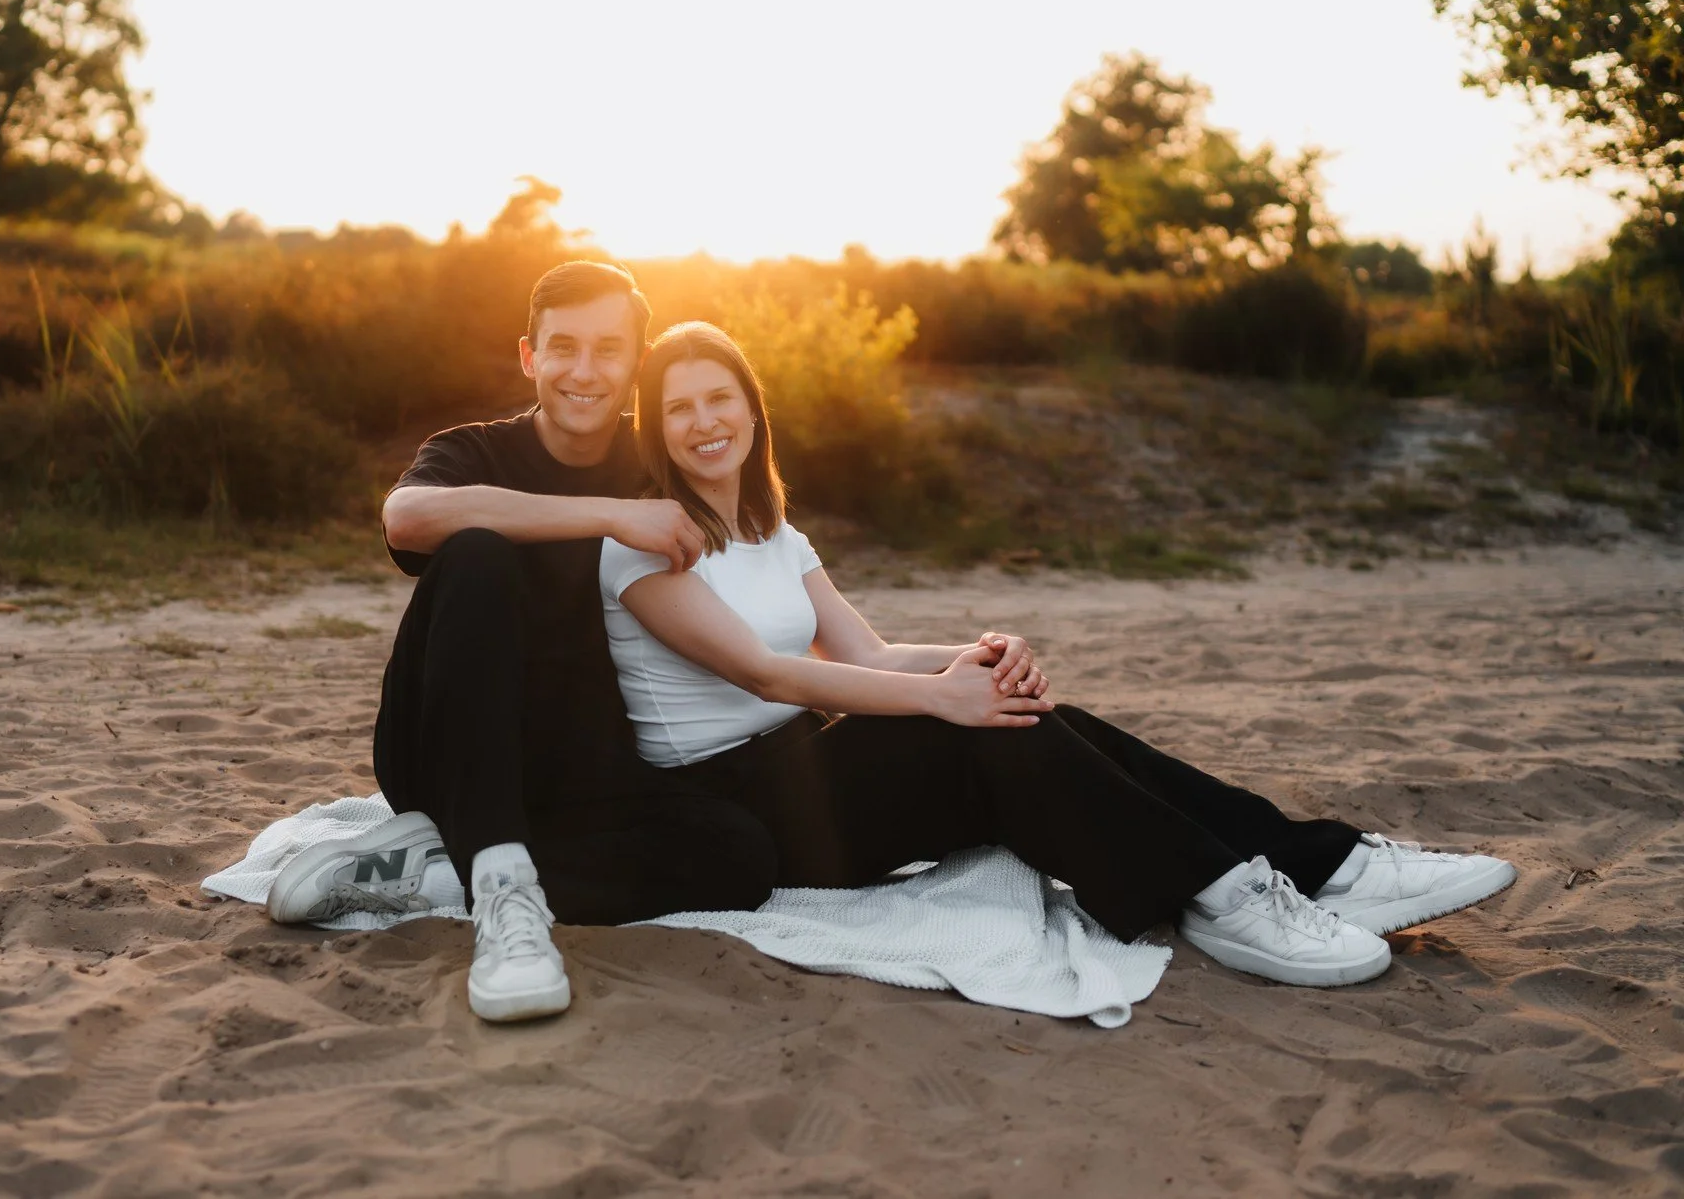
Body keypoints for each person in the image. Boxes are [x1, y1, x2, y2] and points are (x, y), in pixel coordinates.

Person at [595, 320, 1518, 987]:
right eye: (679, 407)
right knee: (982, 723)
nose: (704, 420)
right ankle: (1233, 900)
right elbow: (764, 674)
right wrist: (943, 701)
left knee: (1025, 711)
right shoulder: (638, 547)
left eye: (720, 397)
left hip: (806, 772)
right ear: (656, 428)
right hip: (732, 810)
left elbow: (869, 651)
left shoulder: (775, 532)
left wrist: (979, 653)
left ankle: (1330, 865)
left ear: (751, 409)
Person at [266, 263, 780, 1023]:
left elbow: (755, 570)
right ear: (528, 356)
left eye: (609, 349)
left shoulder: (659, 456)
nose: (583, 370)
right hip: (447, 749)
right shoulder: (474, 450)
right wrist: (610, 514)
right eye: (562, 347)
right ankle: (502, 893)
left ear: (637, 363)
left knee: (740, 855)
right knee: (477, 553)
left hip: (582, 761)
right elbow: (405, 520)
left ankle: (439, 867)